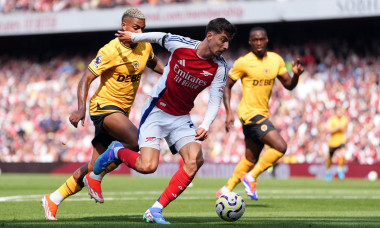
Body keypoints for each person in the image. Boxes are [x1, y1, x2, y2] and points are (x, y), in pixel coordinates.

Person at [90, 18, 236, 224]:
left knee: (195, 161)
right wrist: (134, 37)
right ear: (210, 35)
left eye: (229, 42)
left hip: (181, 117)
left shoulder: (220, 67)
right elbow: (159, 37)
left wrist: (205, 124)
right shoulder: (182, 45)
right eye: (223, 40)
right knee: (147, 166)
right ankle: (116, 151)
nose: (226, 46)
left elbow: (215, 100)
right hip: (157, 111)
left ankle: (155, 209)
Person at [41, 8, 164, 220]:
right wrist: (81, 108)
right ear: (124, 26)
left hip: (121, 113)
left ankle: (53, 198)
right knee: (136, 142)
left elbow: (155, 64)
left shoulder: (145, 46)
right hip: (104, 108)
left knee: (93, 167)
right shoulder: (110, 50)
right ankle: (99, 173)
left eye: (143, 29)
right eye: (136, 28)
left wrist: (175, 74)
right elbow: (85, 79)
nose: (139, 32)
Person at [216, 27, 304, 200]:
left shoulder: (275, 60)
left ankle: (226, 189)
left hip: (262, 113)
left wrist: (296, 76)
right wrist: (228, 113)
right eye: (254, 40)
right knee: (280, 146)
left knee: (250, 157)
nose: (258, 43)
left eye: (261, 39)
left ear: (266, 40)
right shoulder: (244, 62)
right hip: (249, 113)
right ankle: (251, 177)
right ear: (250, 42)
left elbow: (289, 85)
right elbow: (227, 85)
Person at [325, 106, 348, 181]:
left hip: (341, 140)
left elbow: (345, 130)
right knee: (330, 158)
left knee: (343, 153)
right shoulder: (332, 120)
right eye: (339, 112)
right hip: (333, 142)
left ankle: (340, 169)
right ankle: (328, 171)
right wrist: (337, 128)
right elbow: (328, 131)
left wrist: (342, 129)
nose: (340, 113)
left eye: (341, 112)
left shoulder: (344, 120)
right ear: (336, 112)